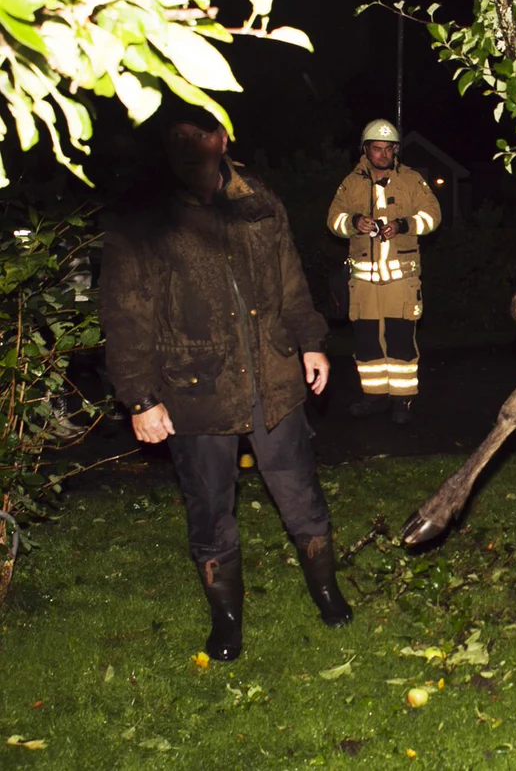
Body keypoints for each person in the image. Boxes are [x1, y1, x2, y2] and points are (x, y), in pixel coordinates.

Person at [99, 102, 352, 662]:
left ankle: (327, 591)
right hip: (194, 388)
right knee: (210, 508)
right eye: (179, 134)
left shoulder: (257, 200)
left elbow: (291, 281)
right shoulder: (145, 216)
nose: (191, 143)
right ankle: (227, 621)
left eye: (202, 131)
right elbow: (125, 312)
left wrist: (311, 340)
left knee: (300, 494)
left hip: (274, 376)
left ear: (223, 137)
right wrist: (140, 397)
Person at [326, 119, 442, 424]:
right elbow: (333, 220)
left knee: (401, 340)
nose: (383, 154)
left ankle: (402, 401)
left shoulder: (411, 180)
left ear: (396, 150)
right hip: (363, 283)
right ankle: (373, 397)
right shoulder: (351, 182)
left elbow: (433, 215)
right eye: (377, 149)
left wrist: (404, 224)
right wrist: (353, 222)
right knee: (366, 342)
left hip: (401, 281)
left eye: (389, 149)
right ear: (366, 149)